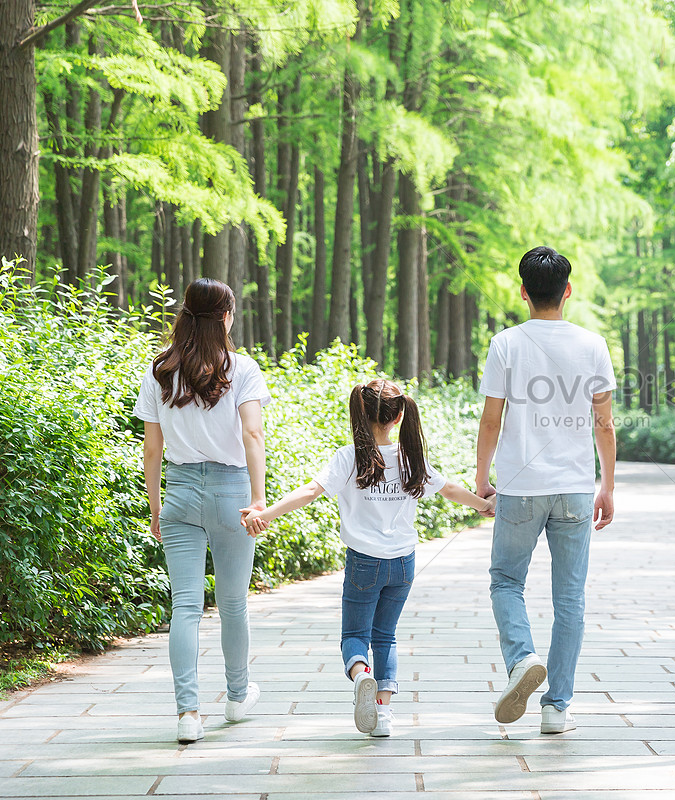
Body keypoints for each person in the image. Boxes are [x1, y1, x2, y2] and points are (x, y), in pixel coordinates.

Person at [243, 379, 495, 737]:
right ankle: (384, 714)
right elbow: (450, 489)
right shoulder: (410, 458)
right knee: (386, 637)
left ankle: (362, 676)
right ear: (398, 417)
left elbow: (312, 491)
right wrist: (485, 505)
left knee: (355, 635)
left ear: (360, 414)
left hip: (364, 562)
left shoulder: (349, 457)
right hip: (403, 563)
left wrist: (266, 514)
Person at [476, 245, 617, 735]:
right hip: (576, 489)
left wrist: (481, 479)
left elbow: (491, 419)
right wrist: (608, 486)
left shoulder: (506, 344)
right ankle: (557, 708)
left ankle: (521, 660)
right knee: (570, 599)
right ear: (568, 292)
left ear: (523, 293)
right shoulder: (593, 344)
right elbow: (605, 425)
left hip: (520, 487)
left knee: (504, 581)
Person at [134, 278, 269, 744]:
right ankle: (235, 697)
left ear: (185, 315)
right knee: (233, 603)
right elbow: (253, 435)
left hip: (180, 490)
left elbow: (152, 449)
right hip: (233, 493)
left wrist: (155, 508)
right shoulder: (242, 369)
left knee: (185, 607)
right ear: (226, 317)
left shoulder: (159, 371)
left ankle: (187, 714)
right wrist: (259, 499)